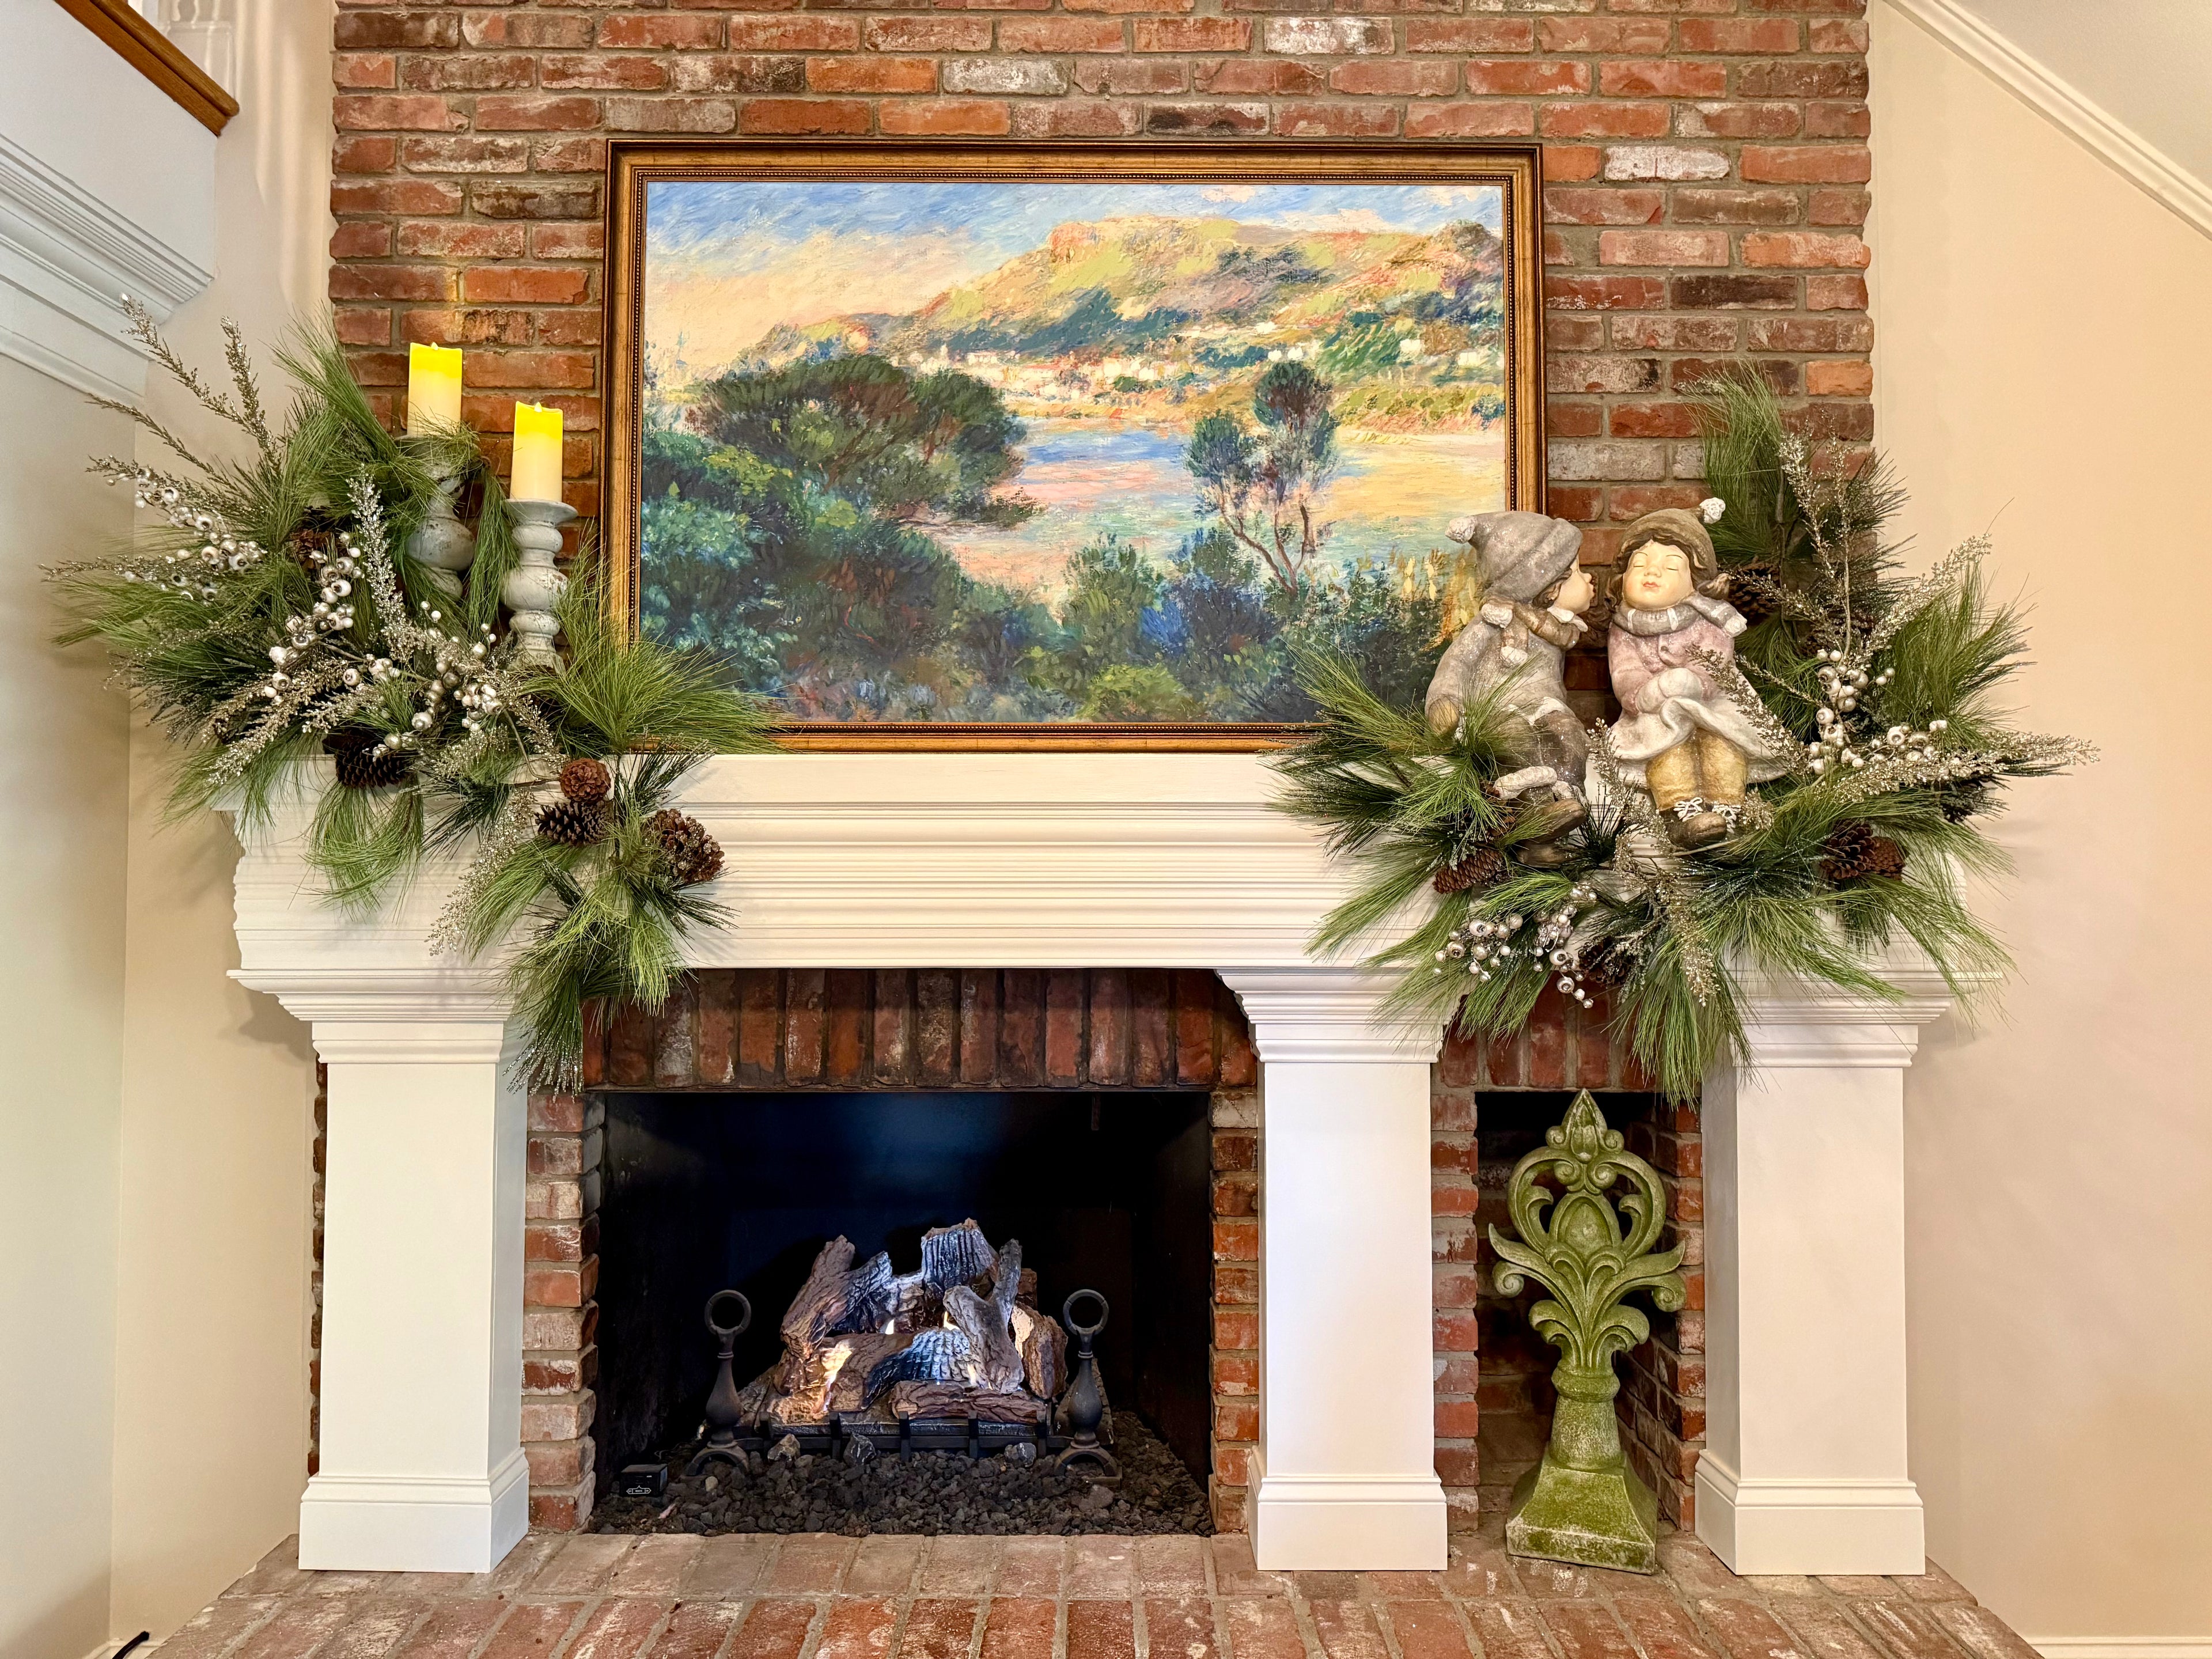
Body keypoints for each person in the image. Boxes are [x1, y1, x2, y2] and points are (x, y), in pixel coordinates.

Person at [1604, 506, 1787, 848]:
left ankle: (1729, 812)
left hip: (1713, 706)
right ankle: (1681, 815)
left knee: (1723, 746)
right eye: (1639, 565)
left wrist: (1693, 681)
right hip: (1655, 712)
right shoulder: (1622, 626)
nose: (1651, 574)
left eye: (1670, 566)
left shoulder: (1710, 620)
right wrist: (1642, 693)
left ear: (1695, 581)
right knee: (1666, 752)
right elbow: (1624, 670)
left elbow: (1716, 663)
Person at [1424, 511, 1597, 866]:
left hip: (1545, 704)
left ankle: (1560, 811)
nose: (1589, 577)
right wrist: (1446, 703)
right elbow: (1456, 663)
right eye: (1577, 573)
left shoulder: (1555, 627)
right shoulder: (1492, 622)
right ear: (1546, 586)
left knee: (1570, 737)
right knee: (1516, 744)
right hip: (1497, 708)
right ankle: (1533, 821)